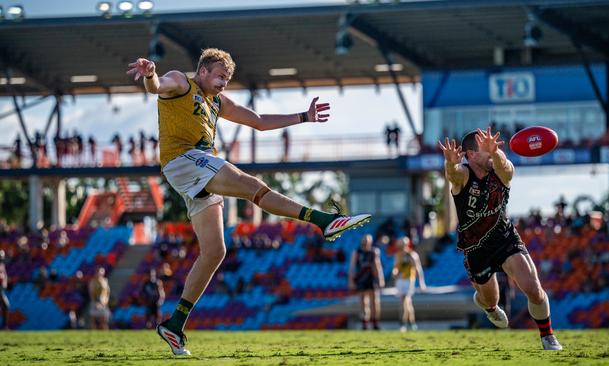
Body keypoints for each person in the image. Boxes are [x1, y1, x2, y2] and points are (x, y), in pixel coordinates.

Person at [126, 48, 371, 356]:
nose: (223, 84)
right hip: (184, 161)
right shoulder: (181, 81)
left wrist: (303, 117)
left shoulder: (216, 101)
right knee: (251, 186)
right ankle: (324, 221)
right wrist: (149, 73)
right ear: (202, 72)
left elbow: (257, 120)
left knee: (215, 251)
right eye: (219, 77)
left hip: (199, 169)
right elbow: (158, 86)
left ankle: (174, 325)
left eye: (227, 79)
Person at [438, 127, 563, 350]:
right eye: (485, 150)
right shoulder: (464, 174)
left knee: (533, 288)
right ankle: (488, 306)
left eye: (494, 149)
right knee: (491, 300)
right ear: (471, 155)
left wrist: (494, 152)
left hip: (505, 238)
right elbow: (453, 175)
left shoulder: (499, 167)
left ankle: (547, 336)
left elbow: (506, 168)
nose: (493, 153)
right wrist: (449, 163)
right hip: (476, 248)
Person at [348, 234, 384, 330]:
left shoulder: (374, 252)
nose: (366, 242)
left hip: (371, 279)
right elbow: (352, 267)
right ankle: (364, 322)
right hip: (360, 278)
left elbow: (377, 266)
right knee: (363, 302)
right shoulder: (357, 252)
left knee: (375, 302)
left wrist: (380, 279)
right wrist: (351, 280)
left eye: (368, 240)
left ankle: (375, 322)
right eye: (365, 240)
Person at [392, 237, 426, 332]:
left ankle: (402, 323)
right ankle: (412, 322)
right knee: (407, 302)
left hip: (409, 280)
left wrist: (421, 282)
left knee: (404, 300)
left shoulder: (412, 255)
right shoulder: (398, 255)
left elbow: (418, 269)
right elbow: (396, 267)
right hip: (400, 280)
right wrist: (394, 272)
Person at [0, 250, 9, 330]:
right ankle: (5, 326)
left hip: (1, 289)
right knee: (5, 305)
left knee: (5, 306)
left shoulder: (2, 265)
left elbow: (4, 277)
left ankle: (5, 325)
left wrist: (4, 284)